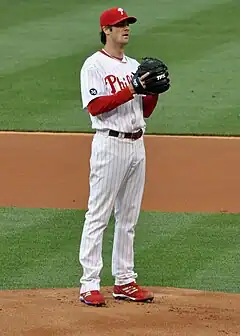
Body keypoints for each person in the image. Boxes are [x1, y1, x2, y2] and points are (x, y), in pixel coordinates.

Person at [79, 7, 160, 306]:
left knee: (128, 217)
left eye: (127, 24)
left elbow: (143, 110)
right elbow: (96, 106)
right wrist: (132, 89)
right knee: (98, 215)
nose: (126, 28)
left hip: (137, 144)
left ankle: (124, 280)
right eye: (119, 25)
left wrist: (153, 93)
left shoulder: (135, 66)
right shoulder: (94, 66)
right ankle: (89, 284)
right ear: (106, 31)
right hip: (109, 145)